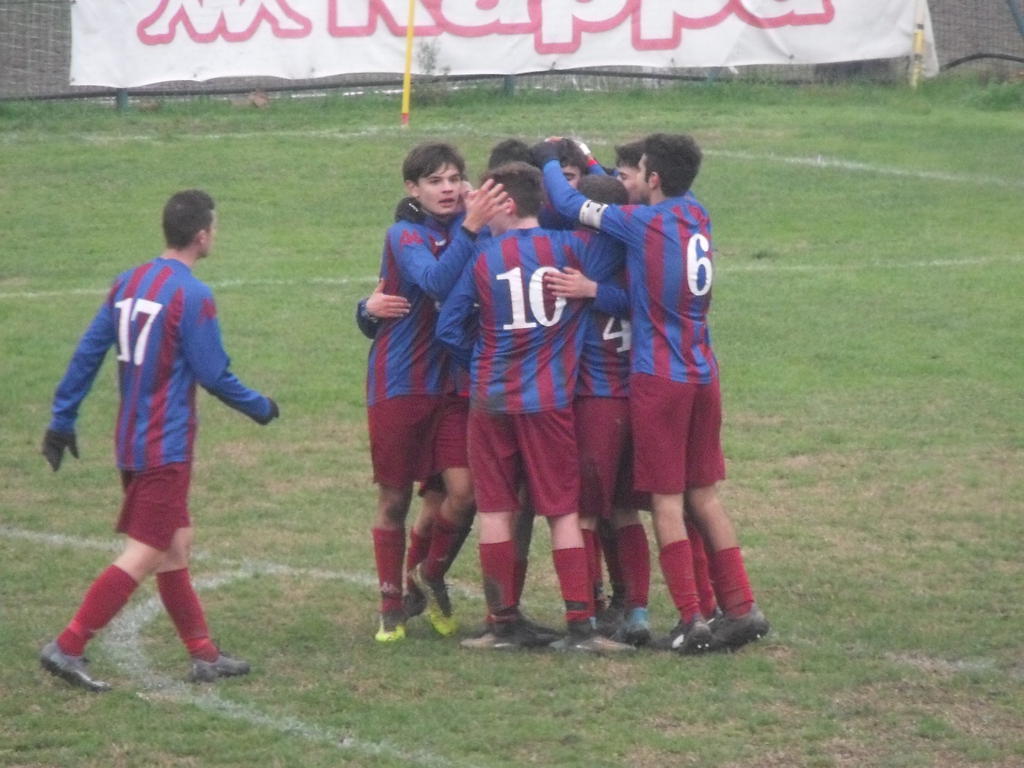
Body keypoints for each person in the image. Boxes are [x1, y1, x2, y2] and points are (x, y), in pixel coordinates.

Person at [535, 134, 770, 653]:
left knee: (666, 501)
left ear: (654, 178)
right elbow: (623, 189)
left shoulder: (641, 223)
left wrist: (549, 159)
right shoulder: (696, 213)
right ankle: (741, 607)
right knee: (704, 496)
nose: (629, 179)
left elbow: (573, 204)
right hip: (704, 371)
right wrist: (591, 160)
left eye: (636, 171)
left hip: (660, 377)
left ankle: (690, 620)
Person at [38, 189, 279, 692]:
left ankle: (203, 654)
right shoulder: (193, 294)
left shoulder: (129, 281)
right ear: (202, 235)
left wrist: (63, 418)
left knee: (175, 545)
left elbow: (89, 351)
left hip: (130, 441)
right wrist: (261, 407)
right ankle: (69, 644)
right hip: (164, 447)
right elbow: (213, 374)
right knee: (146, 551)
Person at [436, 161, 633, 654]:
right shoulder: (571, 249)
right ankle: (580, 627)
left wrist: (483, 359)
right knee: (563, 512)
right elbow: (621, 239)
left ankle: (502, 623)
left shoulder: (483, 258)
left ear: (504, 203)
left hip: (490, 398)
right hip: (549, 399)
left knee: (496, 509)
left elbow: (449, 327)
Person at [366, 142, 506, 643]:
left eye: (453, 179)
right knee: (395, 498)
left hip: (456, 384)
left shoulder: (478, 230)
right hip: (401, 382)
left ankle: (430, 573)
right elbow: (434, 283)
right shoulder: (405, 235)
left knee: (465, 494)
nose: (446, 189)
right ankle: (391, 604)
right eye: (434, 181)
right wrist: (471, 227)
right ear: (413, 189)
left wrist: (476, 225)